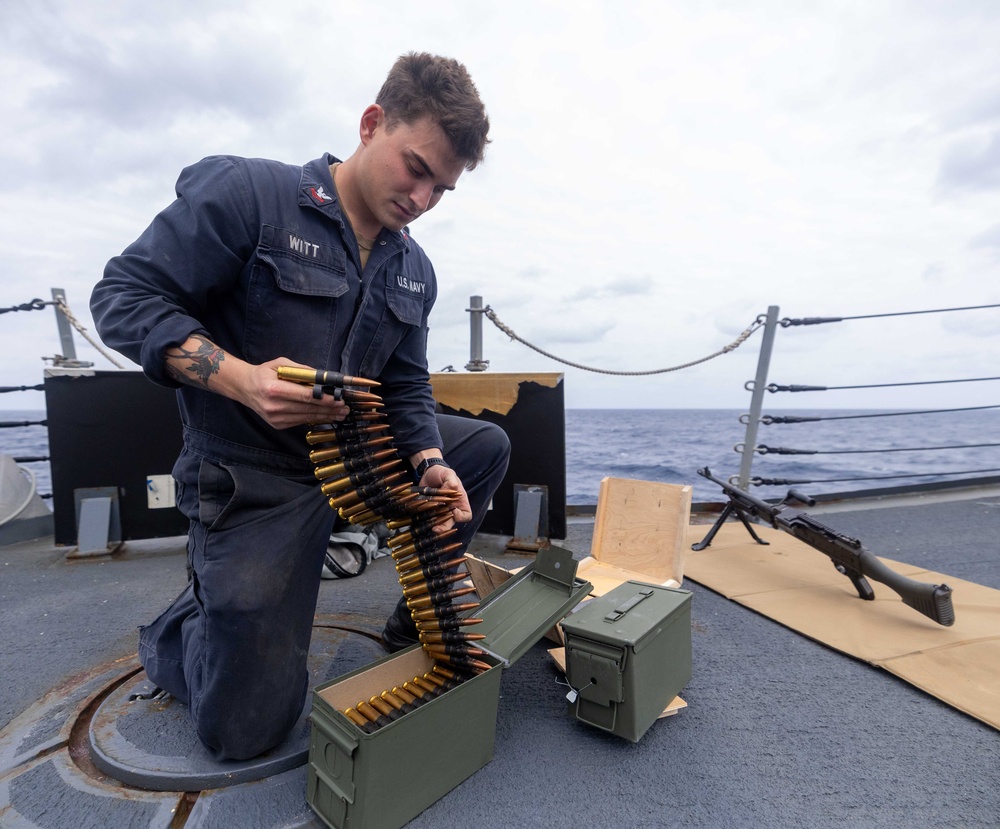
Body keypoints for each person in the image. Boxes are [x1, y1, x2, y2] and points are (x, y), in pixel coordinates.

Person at [90, 52, 510, 761]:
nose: (422, 198)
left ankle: (416, 621)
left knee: (484, 449)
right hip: (253, 476)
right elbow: (122, 298)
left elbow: (406, 387)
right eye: (415, 167)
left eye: (442, 188)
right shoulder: (250, 195)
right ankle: (186, 626)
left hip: (356, 462)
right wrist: (241, 380)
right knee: (245, 732)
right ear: (372, 124)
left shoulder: (414, 268)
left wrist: (432, 460)